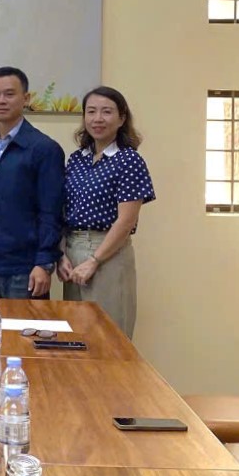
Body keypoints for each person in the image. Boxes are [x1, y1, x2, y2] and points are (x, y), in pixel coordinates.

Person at [59, 86, 155, 338]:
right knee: (75, 337)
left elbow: (126, 220)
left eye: (106, 112)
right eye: (91, 112)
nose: (97, 118)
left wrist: (95, 260)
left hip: (107, 255)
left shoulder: (129, 160)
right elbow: (64, 209)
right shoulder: (77, 159)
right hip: (73, 251)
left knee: (108, 337)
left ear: (122, 118)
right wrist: (61, 254)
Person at [0, 67, 65, 299]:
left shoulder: (44, 149)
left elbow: (51, 211)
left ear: (25, 98)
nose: (1, 100)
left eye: (9, 94)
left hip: (25, 268)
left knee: (23, 324)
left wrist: (44, 262)